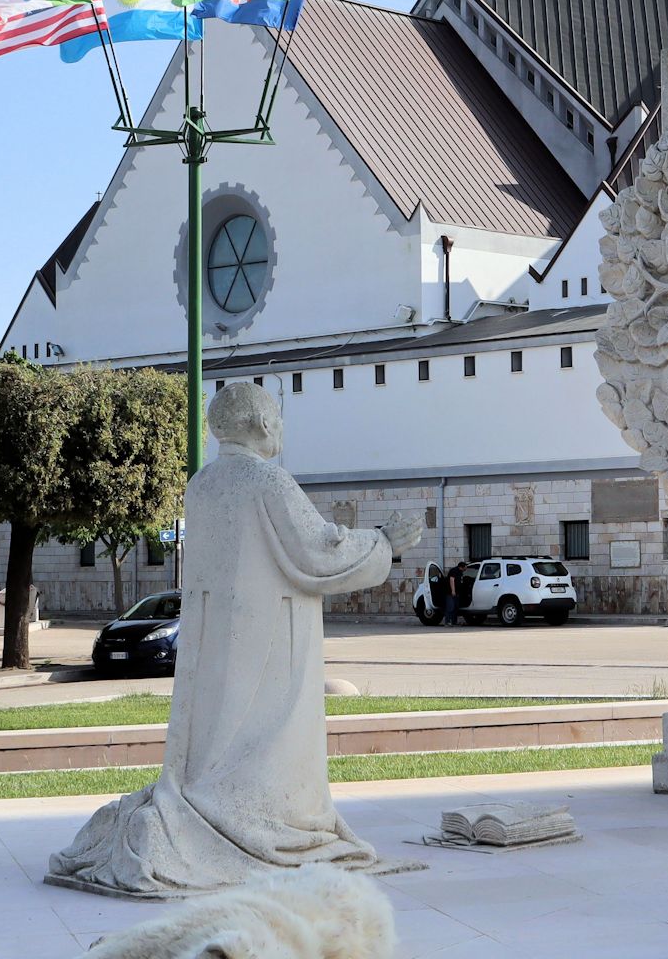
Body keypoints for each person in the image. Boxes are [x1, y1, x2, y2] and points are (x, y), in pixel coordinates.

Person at [48, 382, 423, 897]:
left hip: (213, 646)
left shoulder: (201, 486)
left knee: (219, 735)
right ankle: (260, 822)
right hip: (271, 645)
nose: (283, 431)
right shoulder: (268, 481)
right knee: (270, 746)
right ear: (266, 425)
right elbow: (319, 554)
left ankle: (204, 810)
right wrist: (384, 542)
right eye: (281, 421)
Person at [443, 560, 468, 626]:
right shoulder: (454, 571)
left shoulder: (460, 572)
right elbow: (452, 580)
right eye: (465, 567)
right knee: (450, 607)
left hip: (457, 593)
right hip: (451, 593)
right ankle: (447, 622)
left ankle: (454, 622)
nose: (466, 569)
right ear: (461, 567)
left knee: (455, 608)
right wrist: (453, 590)